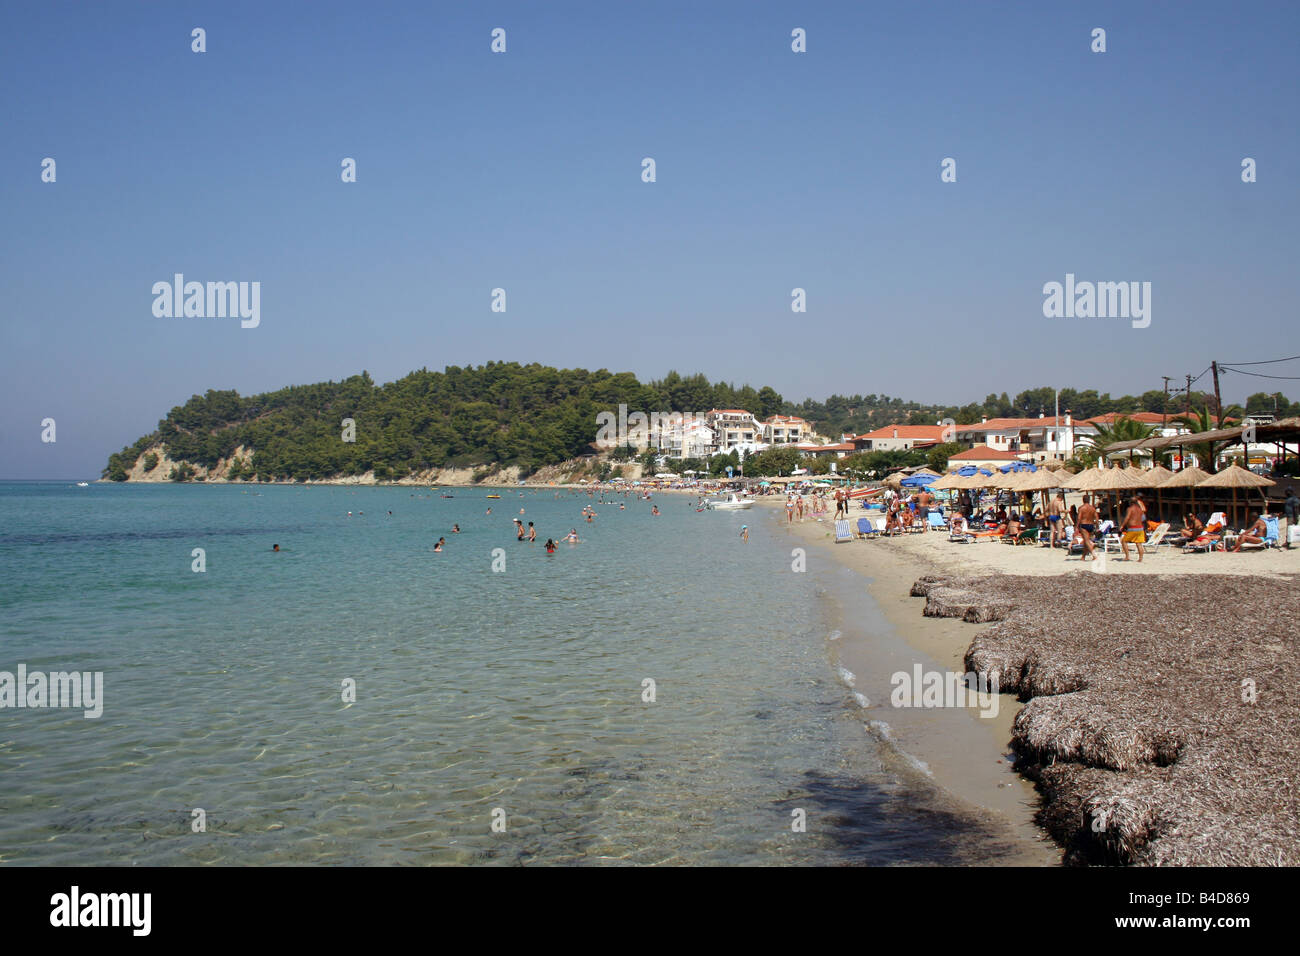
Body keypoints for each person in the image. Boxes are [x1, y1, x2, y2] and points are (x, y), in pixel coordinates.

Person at [1120, 497, 1146, 562]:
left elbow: (1127, 517)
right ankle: (1140, 558)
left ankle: (1127, 557)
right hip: (1140, 528)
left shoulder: (1130, 509)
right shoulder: (1140, 509)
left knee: (1124, 541)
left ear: (1130, 502)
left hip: (1133, 528)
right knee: (1139, 543)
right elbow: (1143, 518)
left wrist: (1122, 525)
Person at [1076, 495, 1098, 561]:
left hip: (1084, 525)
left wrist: (1076, 526)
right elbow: (1096, 517)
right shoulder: (1092, 508)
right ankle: (1083, 557)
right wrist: (1097, 525)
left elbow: (1079, 518)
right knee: (1086, 542)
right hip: (1091, 525)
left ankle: (1094, 555)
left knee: (1086, 541)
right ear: (1089, 500)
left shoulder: (1081, 508)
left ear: (1083, 500)